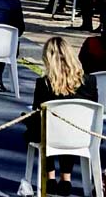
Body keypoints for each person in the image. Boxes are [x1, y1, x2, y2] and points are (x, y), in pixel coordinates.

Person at [26, 37, 98, 197]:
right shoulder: (90, 82)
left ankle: (50, 176)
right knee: (69, 126)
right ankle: (66, 178)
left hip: (50, 135)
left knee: (41, 126)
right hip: (81, 135)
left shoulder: (43, 84)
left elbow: (36, 111)